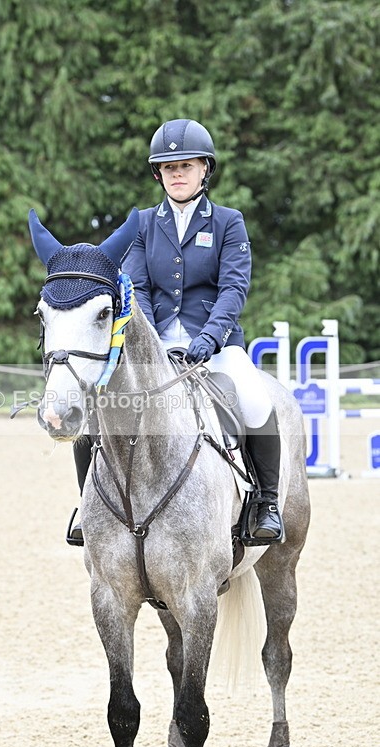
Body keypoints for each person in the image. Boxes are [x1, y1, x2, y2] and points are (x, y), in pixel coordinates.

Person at [68, 118, 283, 546]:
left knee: (256, 399)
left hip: (215, 344)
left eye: (186, 165)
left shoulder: (228, 222)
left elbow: (234, 287)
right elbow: (137, 286)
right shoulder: (143, 224)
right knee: (95, 415)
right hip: (155, 347)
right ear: (158, 174)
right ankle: (87, 506)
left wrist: (210, 338)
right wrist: (151, 343)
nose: (178, 174)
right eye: (169, 168)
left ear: (205, 169)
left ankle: (266, 502)